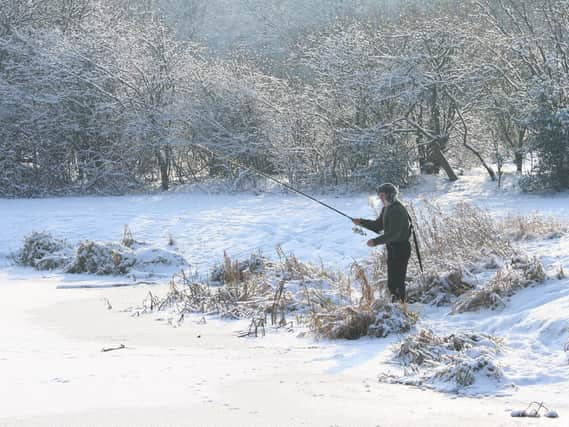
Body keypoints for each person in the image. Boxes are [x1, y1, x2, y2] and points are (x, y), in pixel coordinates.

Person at [352, 183, 411, 303]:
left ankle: (401, 307)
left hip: (401, 249)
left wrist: (375, 241)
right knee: (392, 282)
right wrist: (361, 222)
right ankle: (397, 305)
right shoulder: (387, 208)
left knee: (397, 282)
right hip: (392, 248)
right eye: (379, 195)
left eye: (382, 195)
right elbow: (378, 226)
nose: (380, 198)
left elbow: (394, 234)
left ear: (390, 195)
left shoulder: (397, 210)